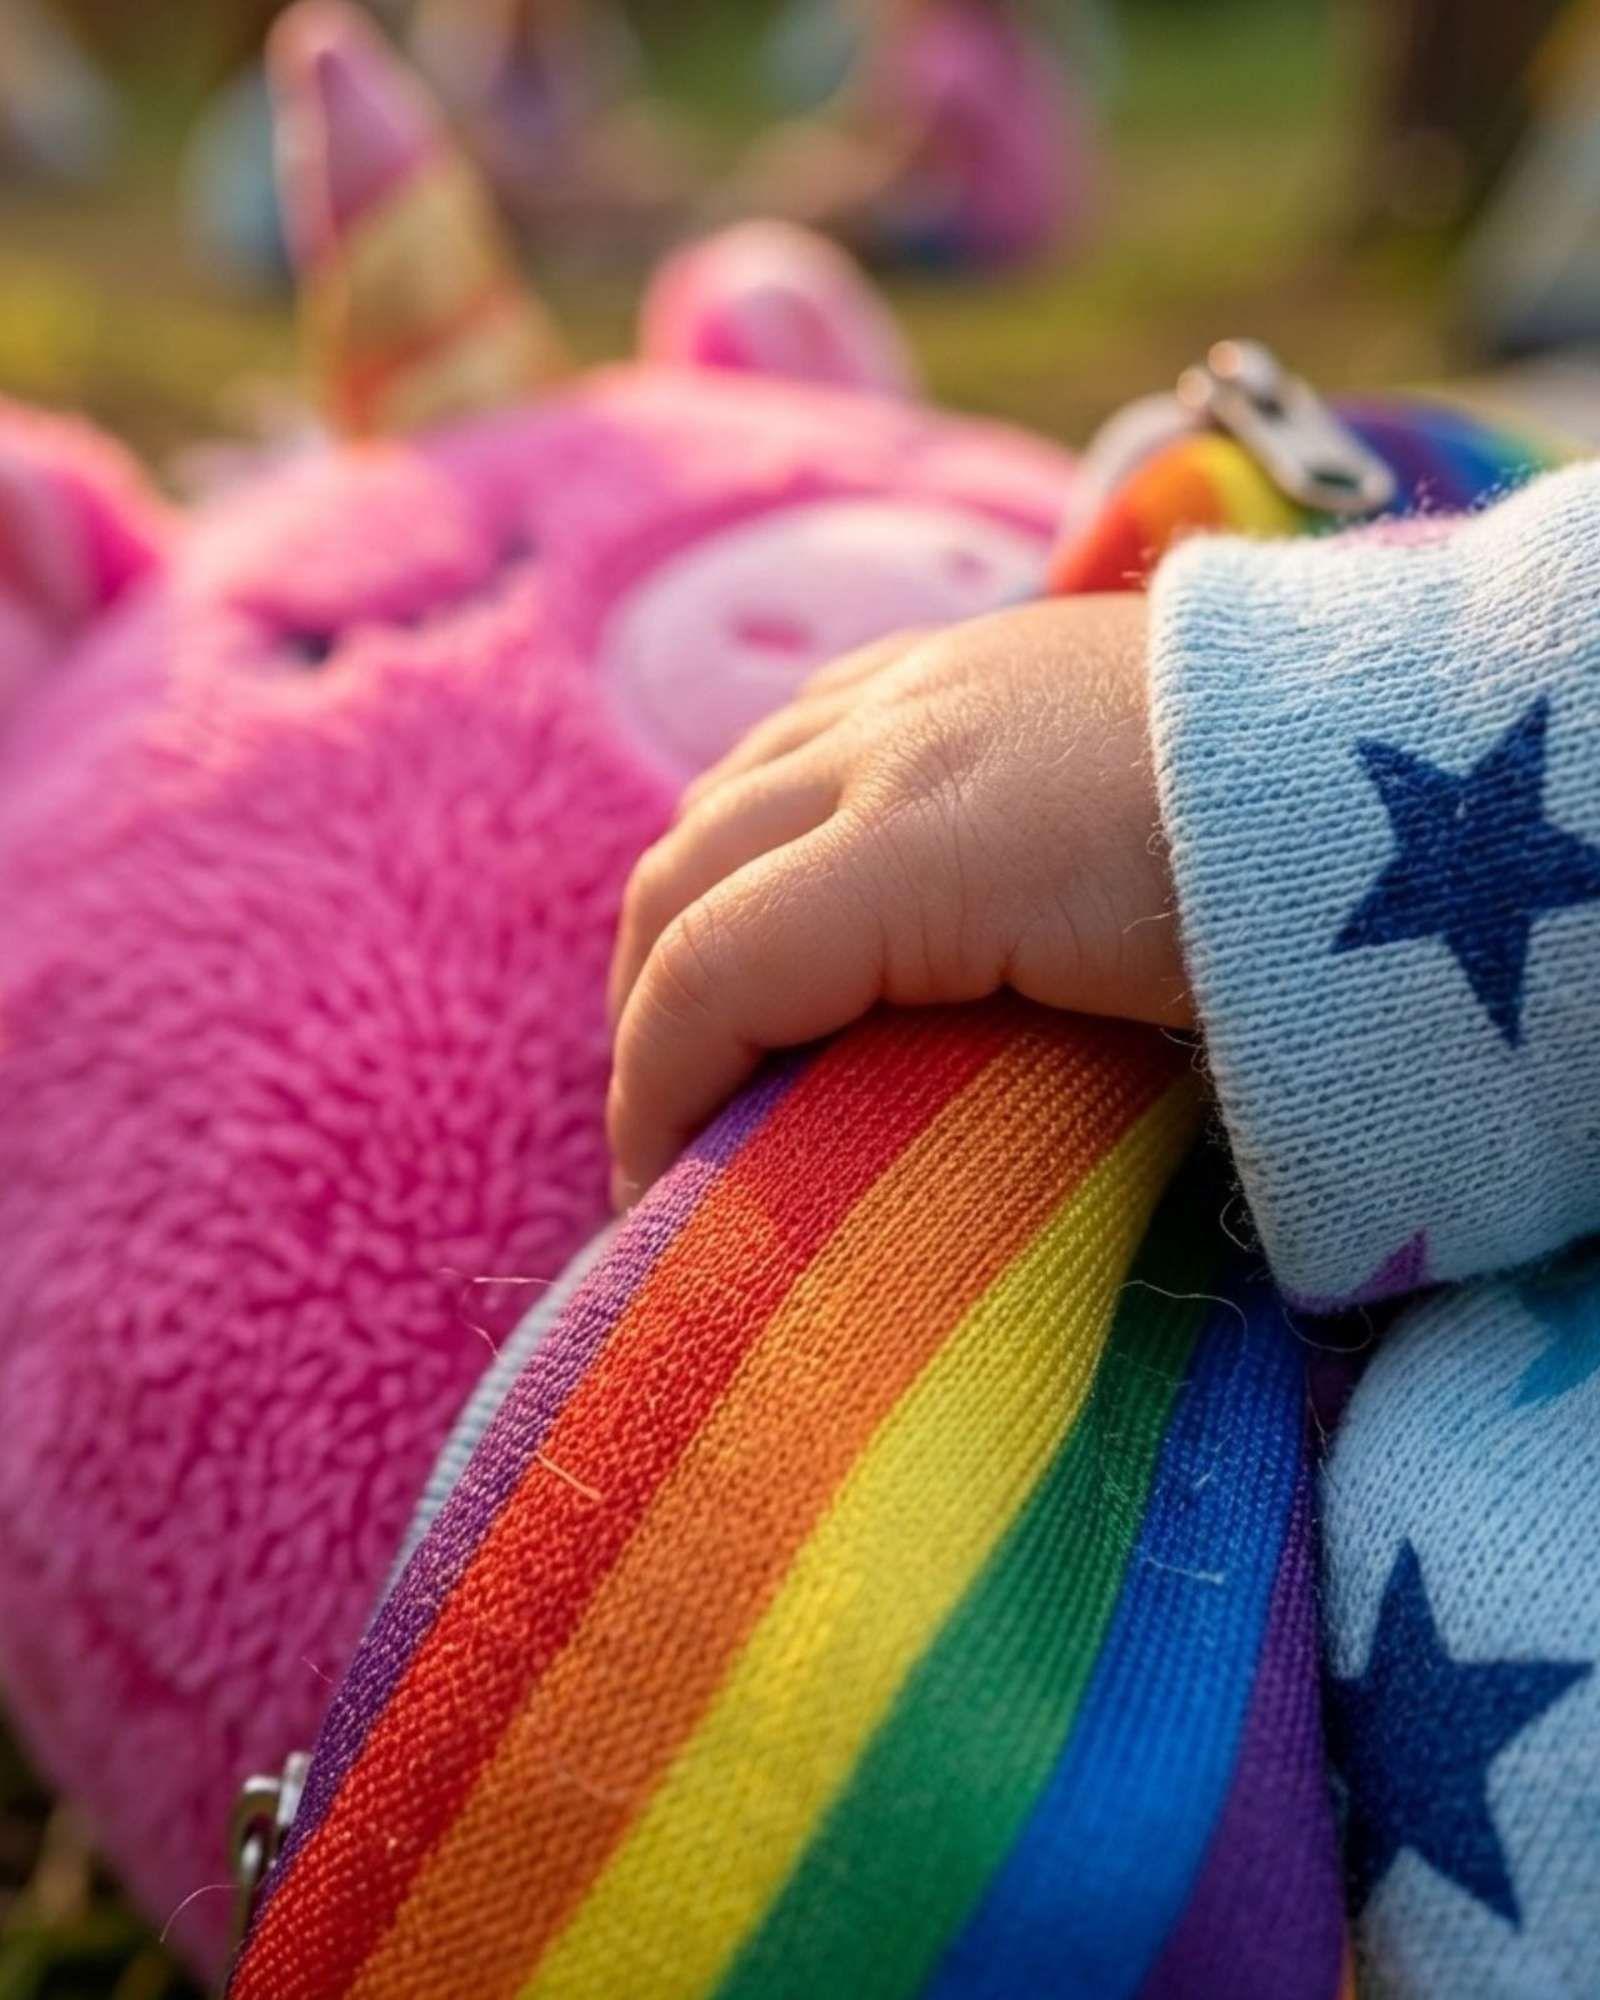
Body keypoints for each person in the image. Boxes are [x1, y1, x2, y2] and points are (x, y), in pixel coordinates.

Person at [729, 0, 1096, 272]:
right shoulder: (991, 39)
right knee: (812, 180)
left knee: (826, 216)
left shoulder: (946, 54)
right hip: (1033, 225)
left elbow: (903, 163)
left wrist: (822, 191)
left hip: (990, 236)